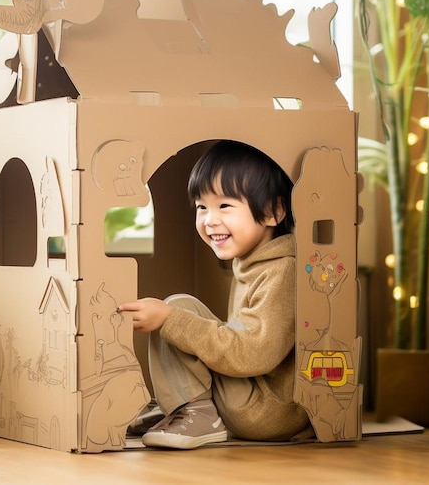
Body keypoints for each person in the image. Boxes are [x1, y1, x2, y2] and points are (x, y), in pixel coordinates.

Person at [118, 140, 310, 450]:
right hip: (253, 396)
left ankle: (195, 412)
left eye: (225, 206)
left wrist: (171, 320)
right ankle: (180, 406)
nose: (209, 219)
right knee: (182, 306)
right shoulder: (253, 262)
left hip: (266, 411)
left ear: (274, 212)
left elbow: (253, 353)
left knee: (176, 311)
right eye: (201, 207)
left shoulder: (282, 271)